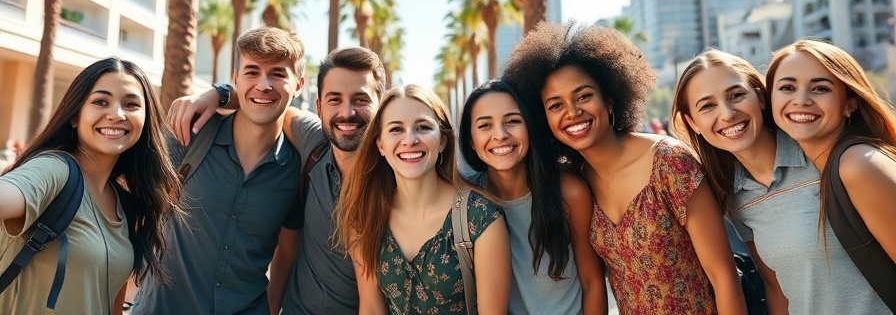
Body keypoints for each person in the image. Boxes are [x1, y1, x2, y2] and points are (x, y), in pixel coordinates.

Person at [502, 21, 745, 314]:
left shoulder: (669, 163)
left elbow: (724, 277)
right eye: (555, 105)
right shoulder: (578, 184)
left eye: (584, 96)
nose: (572, 112)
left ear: (610, 99)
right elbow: (592, 284)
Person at [168, 47, 386, 314]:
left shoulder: (396, 177)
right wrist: (219, 93)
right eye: (334, 99)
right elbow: (270, 102)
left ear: (381, 104)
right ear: (319, 106)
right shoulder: (314, 144)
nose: (347, 112)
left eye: (361, 99)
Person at [671, 49, 889, 314]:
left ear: (761, 97)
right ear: (692, 122)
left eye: (737, 95)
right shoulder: (733, 198)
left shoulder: (830, 158)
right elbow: (777, 289)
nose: (727, 114)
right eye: (708, 106)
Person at [132, 27, 307, 315]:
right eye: (251, 72)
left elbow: (287, 253)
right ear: (235, 79)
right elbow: (133, 210)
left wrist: (273, 309)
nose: (263, 84)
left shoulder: (295, 168)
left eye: (278, 73)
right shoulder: (189, 135)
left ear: (298, 84)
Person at [0, 57, 181, 314]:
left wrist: (220, 96)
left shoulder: (126, 205)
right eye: (100, 102)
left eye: (131, 104)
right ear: (75, 116)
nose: (117, 114)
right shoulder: (54, 170)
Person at [335, 84, 511, 314]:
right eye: (396, 129)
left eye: (423, 127)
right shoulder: (366, 216)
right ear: (380, 145)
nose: (410, 139)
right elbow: (371, 308)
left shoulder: (481, 219)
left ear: (443, 141)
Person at [766, 39, 896, 309]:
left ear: (850, 103)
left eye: (820, 88)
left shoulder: (857, 164)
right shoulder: (833, 166)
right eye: (787, 87)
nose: (801, 100)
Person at [458, 79, 607, 314]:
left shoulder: (569, 192)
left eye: (513, 121)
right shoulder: (466, 198)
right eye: (485, 125)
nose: (500, 135)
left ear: (530, 128)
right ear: (471, 142)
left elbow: (593, 283)